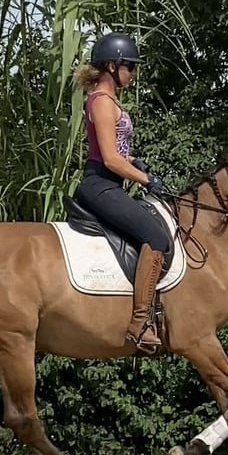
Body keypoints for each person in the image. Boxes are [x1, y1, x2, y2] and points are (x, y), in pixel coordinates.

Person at [72, 32, 170, 353]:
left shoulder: (111, 102)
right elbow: (109, 159)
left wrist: (135, 163)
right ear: (112, 66)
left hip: (110, 182)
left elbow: (115, 153)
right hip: (99, 184)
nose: (132, 73)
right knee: (155, 238)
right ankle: (140, 323)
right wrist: (145, 179)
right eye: (129, 66)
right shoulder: (100, 101)